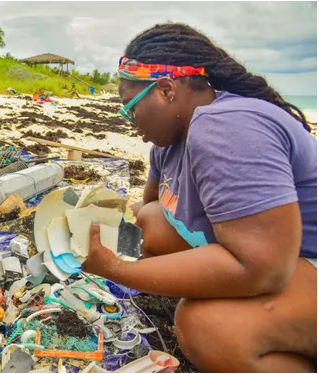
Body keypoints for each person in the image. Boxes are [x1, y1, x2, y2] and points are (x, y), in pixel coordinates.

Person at [82, 23, 317, 372]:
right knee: (151, 220)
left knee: (207, 326)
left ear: (165, 90)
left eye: (129, 108)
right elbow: (144, 211)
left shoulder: (226, 126)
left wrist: (120, 271)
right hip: (278, 262)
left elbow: (263, 269)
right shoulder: (170, 142)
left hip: (299, 265)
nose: (130, 121)